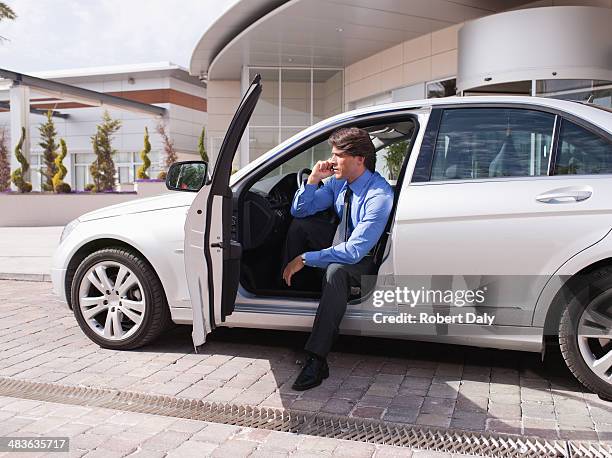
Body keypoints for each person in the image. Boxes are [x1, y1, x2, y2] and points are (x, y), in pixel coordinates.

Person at [282, 127, 394, 390]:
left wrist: (305, 258)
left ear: (359, 159)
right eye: (331, 155)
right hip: (340, 244)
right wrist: (312, 181)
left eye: (338, 156)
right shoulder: (339, 182)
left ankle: (316, 360)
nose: (331, 161)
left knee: (335, 271)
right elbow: (300, 210)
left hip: (364, 260)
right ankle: (291, 288)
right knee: (301, 227)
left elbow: (354, 251)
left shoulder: (378, 196)